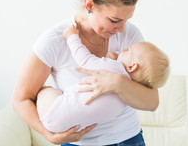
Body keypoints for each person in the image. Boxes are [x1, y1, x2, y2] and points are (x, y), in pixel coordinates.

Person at [12, 0, 162, 146]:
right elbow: (21, 99)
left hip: (129, 139)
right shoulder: (55, 40)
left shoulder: (130, 35)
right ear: (89, 5)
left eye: (126, 20)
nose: (122, 29)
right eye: (114, 20)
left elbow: (152, 102)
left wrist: (117, 83)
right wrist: (48, 135)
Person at [36, 24, 170, 133]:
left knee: (44, 90)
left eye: (127, 50)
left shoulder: (113, 70)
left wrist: (72, 37)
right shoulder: (127, 98)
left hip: (52, 111)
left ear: (132, 66)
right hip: (66, 126)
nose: (123, 50)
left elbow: (85, 59)